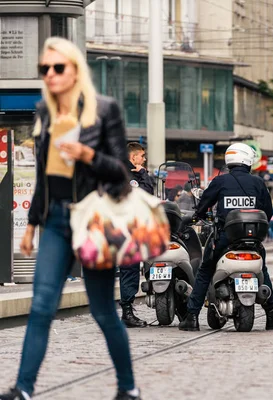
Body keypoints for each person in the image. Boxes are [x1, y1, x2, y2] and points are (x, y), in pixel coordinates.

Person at [0, 37, 140, 400]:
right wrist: (31, 225)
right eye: (43, 69)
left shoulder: (104, 110)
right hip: (57, 223)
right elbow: (46, 179)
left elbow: (119, 173)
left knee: (103, 312)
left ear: (75, 69)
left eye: (57, 67)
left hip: (93, 221)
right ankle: (24, 389)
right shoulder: (45, 114)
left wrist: (86, 154)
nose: (49, 74)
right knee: (41, 306)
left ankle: (128, 388)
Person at [178, 143, 273, 331]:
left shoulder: (220, 182)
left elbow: (203, 207)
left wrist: (197, 217)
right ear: (247, 160)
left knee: (205, 271)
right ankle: (271, 313)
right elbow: (267, 212)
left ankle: (192, 316)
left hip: (225, 238)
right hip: (252, 241)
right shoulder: (258, 183)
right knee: (262, 270)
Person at [117, 143, 154, 329]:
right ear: (134, 158)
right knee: (129, 270)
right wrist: (142, 175)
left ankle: (126, 310)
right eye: (142, 156)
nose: (144, 159)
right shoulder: (128, 174)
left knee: (129, 270)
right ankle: (127, 312)